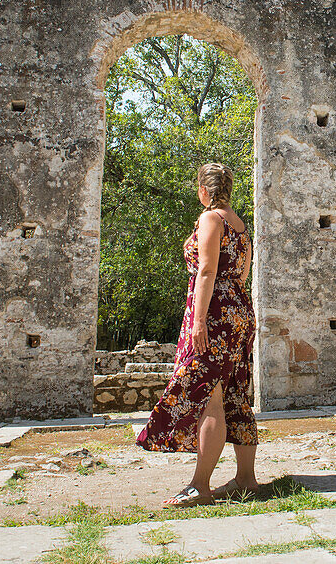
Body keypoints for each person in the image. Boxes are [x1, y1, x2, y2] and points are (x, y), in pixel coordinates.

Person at [136, 163, 260, 507]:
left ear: (203, 190)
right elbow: (242, 273)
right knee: (234, 391)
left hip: (216, 311)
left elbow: (206, 270)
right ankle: (246, 479)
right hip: (239, 308)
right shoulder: (239, 224)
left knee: (210, 395)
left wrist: (200, 321)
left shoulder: (211, 219)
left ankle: (200, 486)